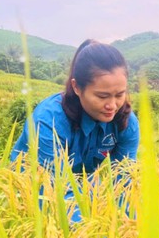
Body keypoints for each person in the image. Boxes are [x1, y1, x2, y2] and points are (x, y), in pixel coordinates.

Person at [10, 39, 139, 222]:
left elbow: (122, 181)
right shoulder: (49, 121)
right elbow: (56, 191)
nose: (112, 105)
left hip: (76, 179)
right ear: (77, 87)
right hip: (32, 183)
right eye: (102, 96)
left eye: (119, 95)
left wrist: (130, 229)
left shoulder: (126, 122)